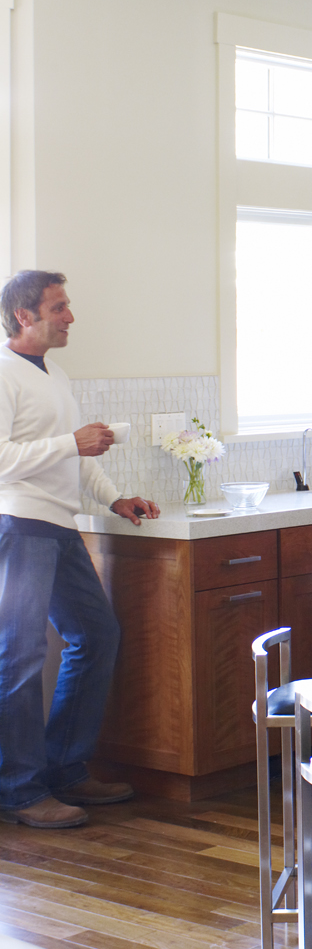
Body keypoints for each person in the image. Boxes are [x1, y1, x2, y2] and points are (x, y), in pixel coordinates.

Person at [0, 271, 160, 829]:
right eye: (59, 307)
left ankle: (65, 769)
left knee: (96, 634)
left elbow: (77, 454)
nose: (70, 316)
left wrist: (115, 499)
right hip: (19, 524)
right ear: (25, 315)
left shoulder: (56, 373)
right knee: (19, 657)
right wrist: (72, 441)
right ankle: (20, 792)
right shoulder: (2, 373)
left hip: (58, 524)